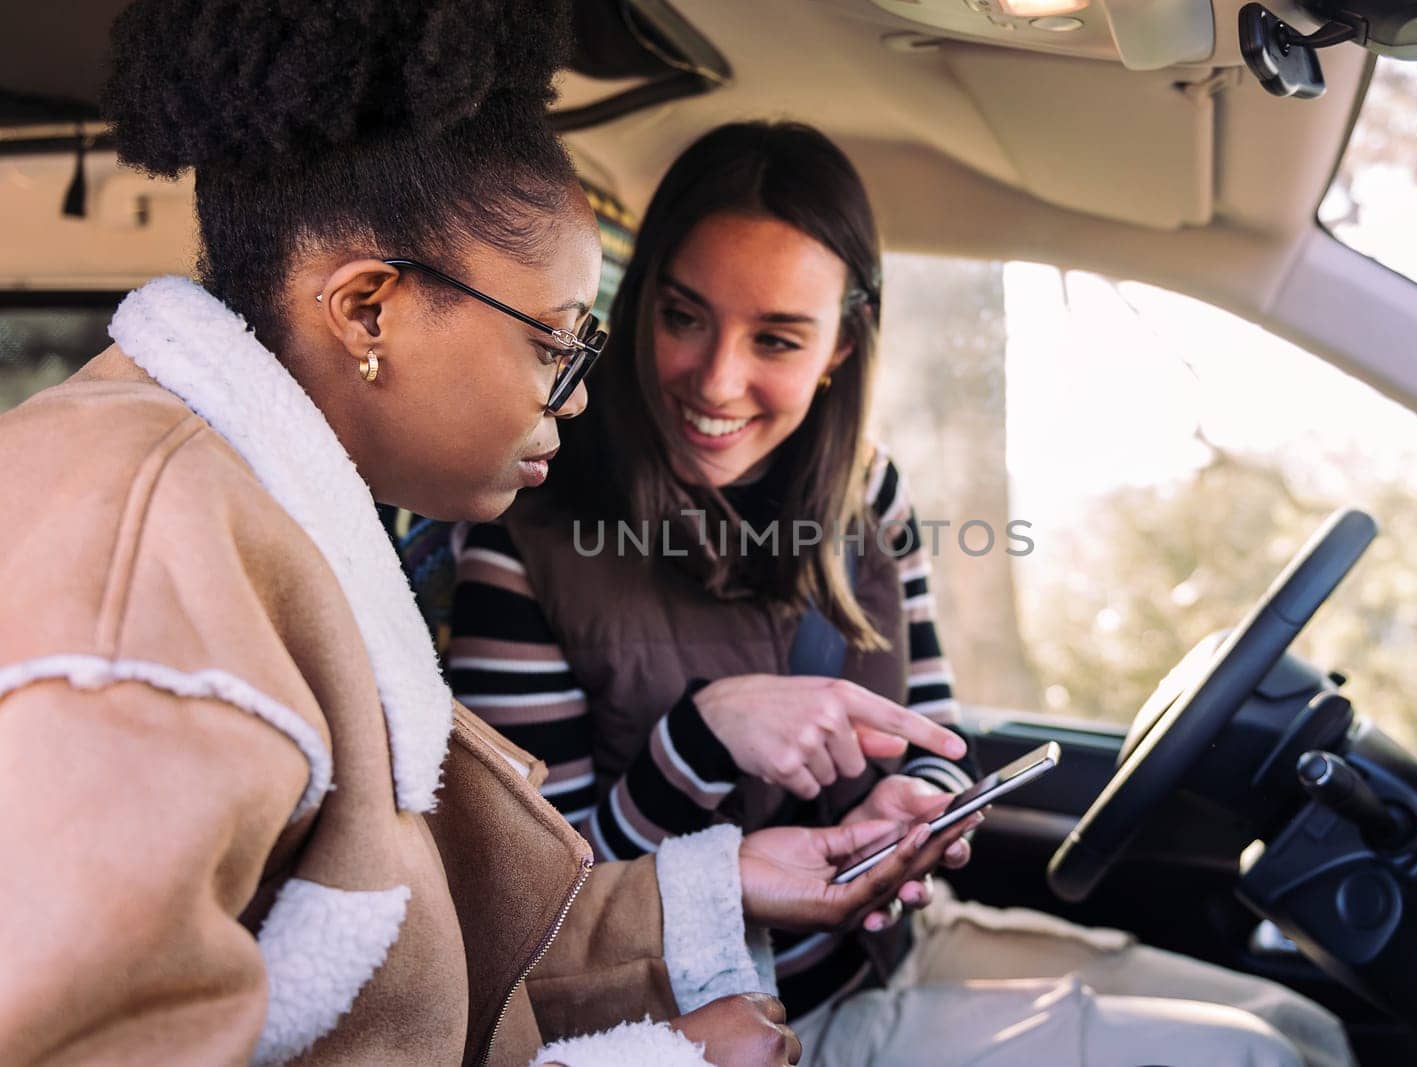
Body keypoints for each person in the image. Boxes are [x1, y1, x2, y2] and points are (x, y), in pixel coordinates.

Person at [0, 8, 978, 1066]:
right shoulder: (138, 581)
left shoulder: (271, 521)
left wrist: (718, 885)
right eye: (556, 341)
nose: (579, 397)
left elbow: (421, 959)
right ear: (369, 309)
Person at [450, 121, 1357, 1066]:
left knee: (1306, 1028)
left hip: (893, 949)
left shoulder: (867, 497)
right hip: (742, 1020)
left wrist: (918, 807)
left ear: (841, 346)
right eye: (684, 317)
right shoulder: (529, 527)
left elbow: (931, 726)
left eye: (778, 338)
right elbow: (540, 904)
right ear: (638, 307)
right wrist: (700, 739)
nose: (717, 378)